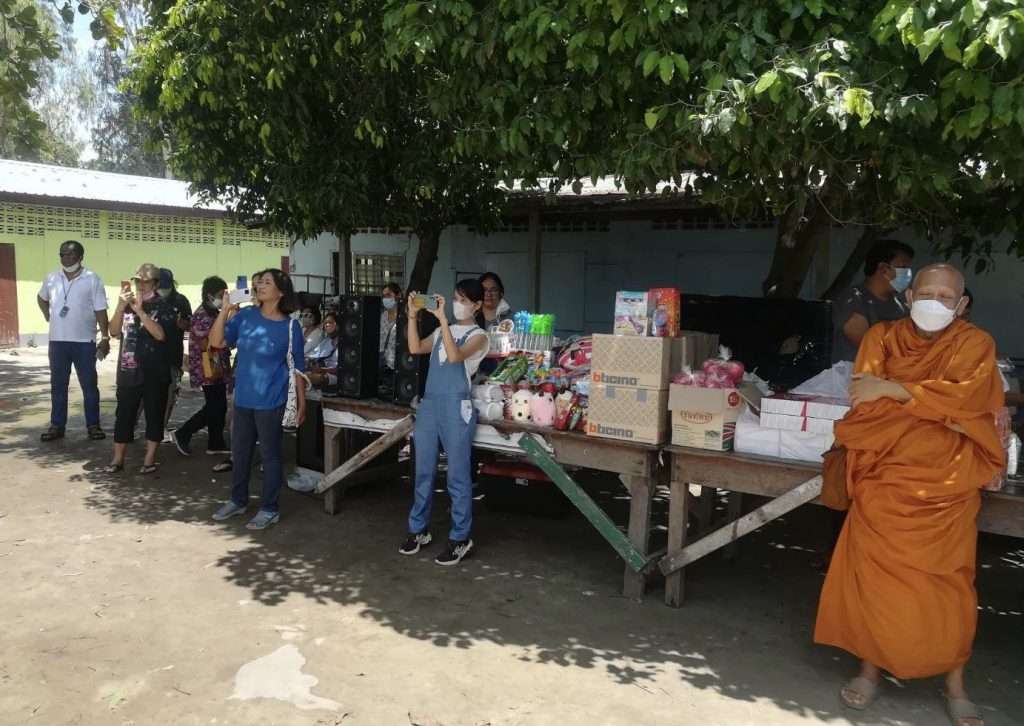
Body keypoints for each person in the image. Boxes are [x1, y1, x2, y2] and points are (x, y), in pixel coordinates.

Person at [815, 264, 1003, 726]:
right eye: (926, 293)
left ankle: (955, 685)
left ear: (961, 305)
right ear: (910, 297)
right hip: (886, 477)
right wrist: (938, 408)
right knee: (876, 581)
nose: (934, 302)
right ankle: (869, 671)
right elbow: (865, 405)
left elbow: (970, 404)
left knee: (950, 587)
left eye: (946, 296)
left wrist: (895, 389)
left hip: (948, 487)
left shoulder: (976, 344)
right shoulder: (881, 337)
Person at [399, 279, 489, 566]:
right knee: (422, 470)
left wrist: (442, 321)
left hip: (456, 407)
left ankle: (460, 537)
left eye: (464, 300)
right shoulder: (441, 330)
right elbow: (415, 347)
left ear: (477, 305)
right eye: (455, 298)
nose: (457, 304)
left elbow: (454, 356)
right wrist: (412, 316)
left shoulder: (479, 336)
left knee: (457, 476)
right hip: (430, 405)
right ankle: (418, 529)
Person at [209, 268, 307, 530]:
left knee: (270, 456)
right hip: (243, 399)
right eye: (258, 283)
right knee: (240, 454)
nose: (260, 286)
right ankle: (237, 500)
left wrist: (301, 404)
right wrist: (225, 310)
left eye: (266, 283)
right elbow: (217, 341)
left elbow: (297, 369)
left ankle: (269, 508)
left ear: (281, 292)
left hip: (271, 402)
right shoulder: (245, 316)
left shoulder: (290, 327)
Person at [104, 264, 177, 474]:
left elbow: (160, 335)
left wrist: (140, 312)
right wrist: (120, 306)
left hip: (155, 371)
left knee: (154, 415)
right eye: (138, 281)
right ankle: (118, 459)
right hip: (129, 370)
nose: (141, 285)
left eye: (146, 282)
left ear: (155, 283)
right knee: (124, 415)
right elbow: (114, 331)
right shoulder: (127, 305)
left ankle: (149, 459)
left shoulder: (164, 307)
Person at [37, 239, 110, 441]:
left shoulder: (92, 279)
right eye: (62, 254)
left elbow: (100, 310)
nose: (65, 258)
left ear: (80, 256)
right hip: (58, 342)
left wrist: (105, 337)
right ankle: (57, 426)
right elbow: (41, 297)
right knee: (58, 385)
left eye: (70, 254)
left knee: (89, 386)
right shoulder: (52, 278)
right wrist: (47, 315)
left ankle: (93, 425)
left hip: (84, 342)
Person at [172, 276, 232, 457]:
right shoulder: (202, 315)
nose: (222, 298)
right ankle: (183, 433)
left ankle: (216, 442)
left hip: (215, 362)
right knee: (214, 406)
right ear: (209, 295)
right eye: (220, 295)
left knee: (219, 405)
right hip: (208, 363)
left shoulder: (214, 313)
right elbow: (208, 343)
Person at [830, 240, 915, 363]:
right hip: (855, 373)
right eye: (903, 268)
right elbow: (871, 347)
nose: (908, 274)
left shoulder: (902, 307)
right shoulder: (853, 300)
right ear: (883, 269)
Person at [157, 268, 192, 429]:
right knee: (143, 394)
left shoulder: (180, 301)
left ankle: (162, 427)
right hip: (150, 356)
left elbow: (189, 325)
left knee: (170, 394)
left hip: (172, 355)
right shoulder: (148, 300)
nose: (162, 290)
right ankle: (133, 425)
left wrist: (182, 324)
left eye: (165, 286)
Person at [307, 312, 339, 388]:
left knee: (318, 378)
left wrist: (324, 370)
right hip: (322, 371)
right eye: (325, 323)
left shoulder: (346, 344)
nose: (327, 325)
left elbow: (343, 369)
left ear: (338, 325)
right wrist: (308, 361)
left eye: (330, 322)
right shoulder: (325, 341)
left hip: (337, 375)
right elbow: (313, 356)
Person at [379, 283, 402, 372]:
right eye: (383, 296)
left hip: (398, 368)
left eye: (388, 295)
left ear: (398, 295)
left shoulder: (405, 319)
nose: (385, 299)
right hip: (381, 365)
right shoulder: (381, 317)